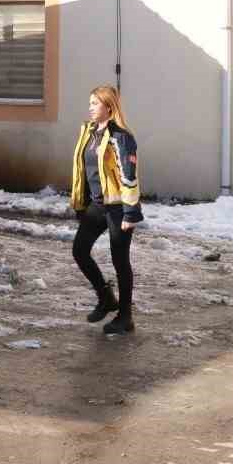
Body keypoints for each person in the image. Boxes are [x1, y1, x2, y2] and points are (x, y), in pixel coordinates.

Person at [69, 85, 142, 336]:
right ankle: (106, 297)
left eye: (95, 103)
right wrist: (81, 203)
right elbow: (84, 170)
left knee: (120, 260)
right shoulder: (89, 132)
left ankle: (125, 316)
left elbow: (129, 176)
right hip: (97, 205)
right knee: (79, 250)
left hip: (118, 207)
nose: (90, 107)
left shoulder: (120, 137)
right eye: (89, 103)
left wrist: (130, 213)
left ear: (109, 107)